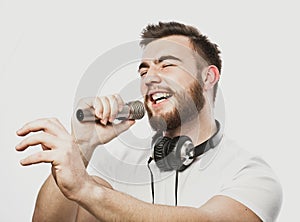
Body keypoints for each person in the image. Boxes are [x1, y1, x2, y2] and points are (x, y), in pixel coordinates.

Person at [16, 21, 282, 221]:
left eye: (166, 65)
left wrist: (87, 189)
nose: (149, 77)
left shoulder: (250, 172)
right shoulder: (117, 167)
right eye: (144, 70)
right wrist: (82, 146)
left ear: (208, 77)